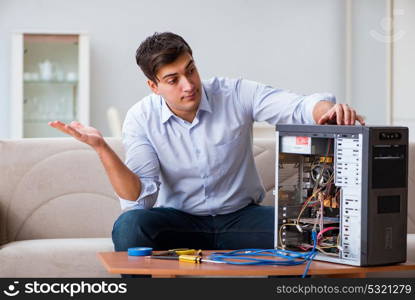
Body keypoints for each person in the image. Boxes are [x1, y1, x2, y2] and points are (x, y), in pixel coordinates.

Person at [49, 32, 365, 252]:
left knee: (317, 228)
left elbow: (298, 107)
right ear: (153, 85)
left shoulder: (236, 93)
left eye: (191, 70)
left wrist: (329, 111)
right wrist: (102, 148)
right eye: (173, 80)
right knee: (130, 226)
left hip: (241, 218)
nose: (189, 85)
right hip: (180, 222)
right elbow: (140, 196)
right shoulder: (140, 118)